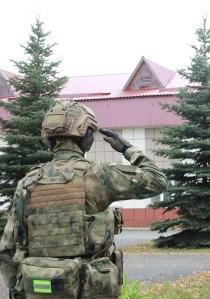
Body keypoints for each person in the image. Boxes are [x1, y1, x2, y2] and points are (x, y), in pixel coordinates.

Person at [0, 100, 168, 299]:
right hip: (92, 289)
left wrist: (18, 290)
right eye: (91, 132)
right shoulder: (97, 174)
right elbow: (157, 181)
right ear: (84, 134)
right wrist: (127, 148)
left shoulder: (28, 181)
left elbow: (7, 249)